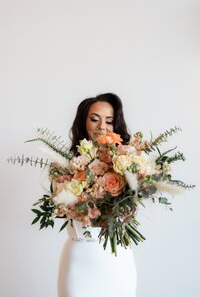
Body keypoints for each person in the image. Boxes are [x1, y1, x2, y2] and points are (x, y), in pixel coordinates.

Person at [57, 93, 137, 297]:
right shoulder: (64, 168)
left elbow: (131, 214)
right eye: (95, 119)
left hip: (118, 262)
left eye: (109, 121)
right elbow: (62, 209)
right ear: (84, 123)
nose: (102, 126)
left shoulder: (128, 165)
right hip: (79, 262)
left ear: (115, 126)